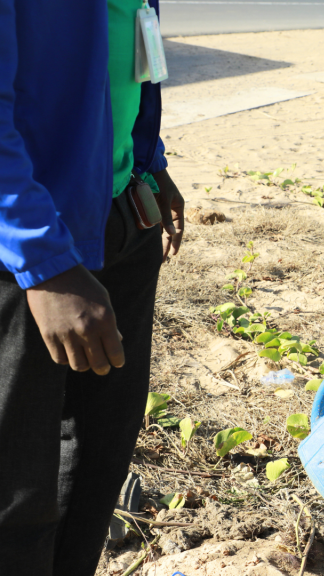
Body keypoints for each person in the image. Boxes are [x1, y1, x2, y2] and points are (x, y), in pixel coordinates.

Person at [0, 0, 183, 573]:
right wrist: (45, 263)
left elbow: (130, 60)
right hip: (27, 253)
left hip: (121, 221)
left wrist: (148, 161)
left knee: (100, 460)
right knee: (15, 488)